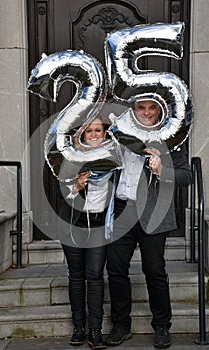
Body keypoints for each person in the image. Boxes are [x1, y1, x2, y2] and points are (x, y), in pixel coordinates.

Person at [105, 99, 192, 348]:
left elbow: (186, 176)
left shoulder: (172, 137)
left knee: (154, 271)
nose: (146, 113)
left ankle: (162, 326)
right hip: (122, 210)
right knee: (116, 269)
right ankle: (121, 325)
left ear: (159, 110)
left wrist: (163, 170)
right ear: (134, 110)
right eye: (141, 108)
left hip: (154, 212)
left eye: (151, 108)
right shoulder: (118, 133)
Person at [57, 116, 114, 349]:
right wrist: (77, 188)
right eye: (88, 130)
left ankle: (95, 331)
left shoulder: (114, 159)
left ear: (104, 133)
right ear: (82, 134)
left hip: (99, 225)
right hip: (73, 224)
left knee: (95, 276)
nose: (93, 134)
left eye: (98, 130)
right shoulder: (72, 158)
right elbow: (61, 194)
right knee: (76, 276)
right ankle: (78, 328)